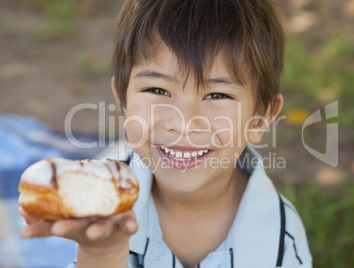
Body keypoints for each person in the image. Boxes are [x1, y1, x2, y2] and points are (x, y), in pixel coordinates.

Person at [19, 0, 312, 267]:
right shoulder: (94, 211)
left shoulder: (279, 241)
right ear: (122, 99)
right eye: (157, 90)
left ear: (260, 119)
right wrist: (103, 253)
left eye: (217, 94)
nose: (183, 122)